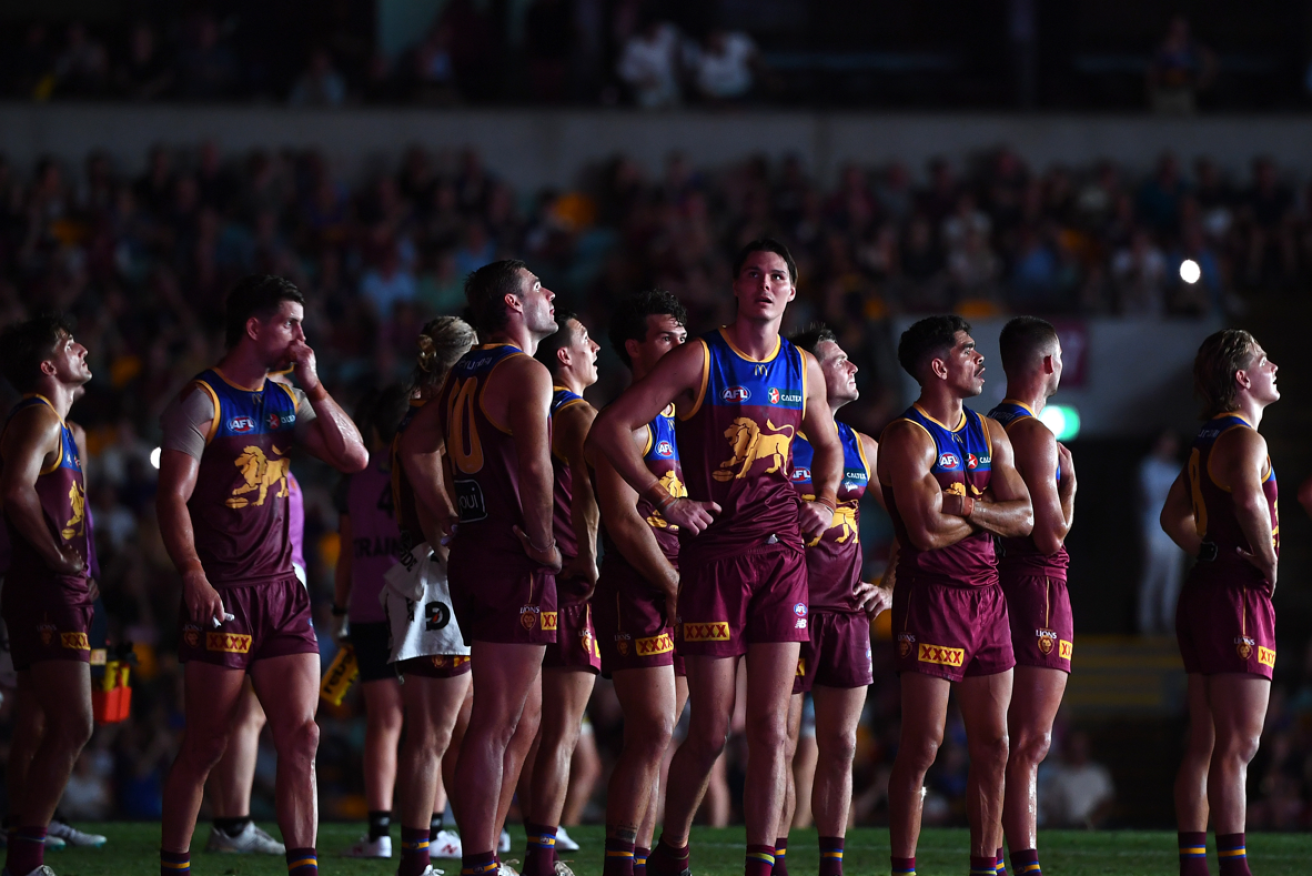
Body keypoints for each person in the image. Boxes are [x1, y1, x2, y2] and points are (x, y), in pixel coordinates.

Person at [588, 238, 842, 876]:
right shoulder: (701, 357)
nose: (764, 283)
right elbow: (609, 429)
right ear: (736, 286)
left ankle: (764, 862)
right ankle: (671, 848)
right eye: (753, 273)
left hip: (782, 555)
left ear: (790, 291)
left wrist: (827, 498)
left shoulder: (805, 368)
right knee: (708, 731)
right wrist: (664, 501)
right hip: (714, 561)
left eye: (777, 275)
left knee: (774, 729)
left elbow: (830, 444)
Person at [157, 274, 369, 876]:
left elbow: (354, 457)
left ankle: (304, 867)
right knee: (206, 745)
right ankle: (174, 865)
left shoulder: (283, 396)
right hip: (223, 593)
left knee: (302, 737)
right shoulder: (203, 399)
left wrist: (315, 385)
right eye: (290, 323)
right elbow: (171, 498)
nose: (302, 335)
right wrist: (193, 574)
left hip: (284, 592)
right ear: (255, 328)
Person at [877, 315, 1033, 876]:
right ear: (939, 367)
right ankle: (904, 867)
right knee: (924, 747)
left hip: (988, 599)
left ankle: (985, 867)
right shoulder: (907, 436)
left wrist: (965, 507)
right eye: (969, 350)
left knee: (996, 745)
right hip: (933, 599)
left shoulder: (990, 433)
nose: (980, 358)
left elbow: (1028, 517)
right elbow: (923, 533)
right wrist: (992, 516)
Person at [435, 261, 562, 876]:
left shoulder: (461, 371)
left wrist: (446, 519)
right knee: (496, 720)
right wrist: (548, 544)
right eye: (540, 287)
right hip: (513, 552)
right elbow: (536, 469)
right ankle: (481, 862)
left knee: (508, 717)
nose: (551, 294)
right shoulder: (526, 371)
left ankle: (484, 856)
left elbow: (412, 447)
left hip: (475, 546)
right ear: (513, 304)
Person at [1160, 329, 1279, 876]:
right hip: (1236, 593)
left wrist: (1207, 548)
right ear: (1242, 378)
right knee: (1240, 745)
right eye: (1262, 361)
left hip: (1203, 589)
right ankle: (1235, 867)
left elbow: (1172, 516)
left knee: (1205, 743)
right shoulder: (1245, 439)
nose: (1273, 366)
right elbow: (1253, 502)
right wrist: (1266, 560)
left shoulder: (1203, 438)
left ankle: (1194, 864)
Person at [775, 324, 891, 876]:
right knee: (779, 746)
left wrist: (889, 586)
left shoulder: (865, 447)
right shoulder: (775, 436)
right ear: (809, 373)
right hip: (786, 609)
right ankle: (769, 859)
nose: (853, 367)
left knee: (840, 746)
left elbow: (915, 524)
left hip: (847, 612)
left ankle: (831, 866)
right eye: (839, 359)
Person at [592, 290, 690, 876]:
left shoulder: (681, 415)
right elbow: (625, 524)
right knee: (650, 731)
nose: (681, 347)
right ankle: (619, 863)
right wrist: (676, 585)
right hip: (641, 585)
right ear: (634, 347)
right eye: (666, 338)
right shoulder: (626, 417)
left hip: (682, 582)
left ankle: (647, 857)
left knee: (666, 736)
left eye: (683, 337)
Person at [0, 316, 95, 876]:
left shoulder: (59, 424)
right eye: (67, 344)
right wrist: (59, 560)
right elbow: (13, 492)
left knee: (38, 719)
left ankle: (24, 845)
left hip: (51, 587)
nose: (80, 347)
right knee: (74, 724)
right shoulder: (38, 414)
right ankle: (26, 856)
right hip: (43, 587)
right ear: (47, 366)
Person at [389, 316, 481, 876]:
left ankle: (477, 857)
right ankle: (416, 862)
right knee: (432, 736)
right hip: (438, 582)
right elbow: (435, 517)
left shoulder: (427, 415)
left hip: (431, 578)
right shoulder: (433, 423)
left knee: (462, 734)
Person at [988, 317, 1078, 876]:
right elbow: (1049, 534)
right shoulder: (1034, 435)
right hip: (1035, 586)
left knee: (1000, 741)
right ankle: (1024, 863)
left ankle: (992, 859)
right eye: (1060, 356)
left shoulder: (982, 424)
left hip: (990, 584)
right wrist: (1071, 492)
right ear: (1047, 364)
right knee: (1030, 741)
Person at [518, 313, 602, 876]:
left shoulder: (523, 409)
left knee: (515, 727)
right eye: (585, 341)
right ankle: (541, 859)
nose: (595, 347)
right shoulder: (575, 413)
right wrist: (590, 560)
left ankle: (487, 849)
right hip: (568, 581)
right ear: (564, 359)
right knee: (561, 732)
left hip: (521, 575)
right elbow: (591, 494)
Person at [331, 387, 409, 859]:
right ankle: (434, 828)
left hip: (366, 609)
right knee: (430, 724)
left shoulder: (354, 478)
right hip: (418, 607)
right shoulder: (421, 463)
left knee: (385, 721)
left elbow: (345, 554)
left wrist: (340, 611)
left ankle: (380, 834)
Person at [1139, 430, 1186, 634]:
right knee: (1153, 576)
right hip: (1154, 529)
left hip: (1176, 530)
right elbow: (1151, 494)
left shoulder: (1177, 469)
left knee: (1172, 578)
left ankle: (1168, 622)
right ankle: (1146, 623)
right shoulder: (1148, 467)